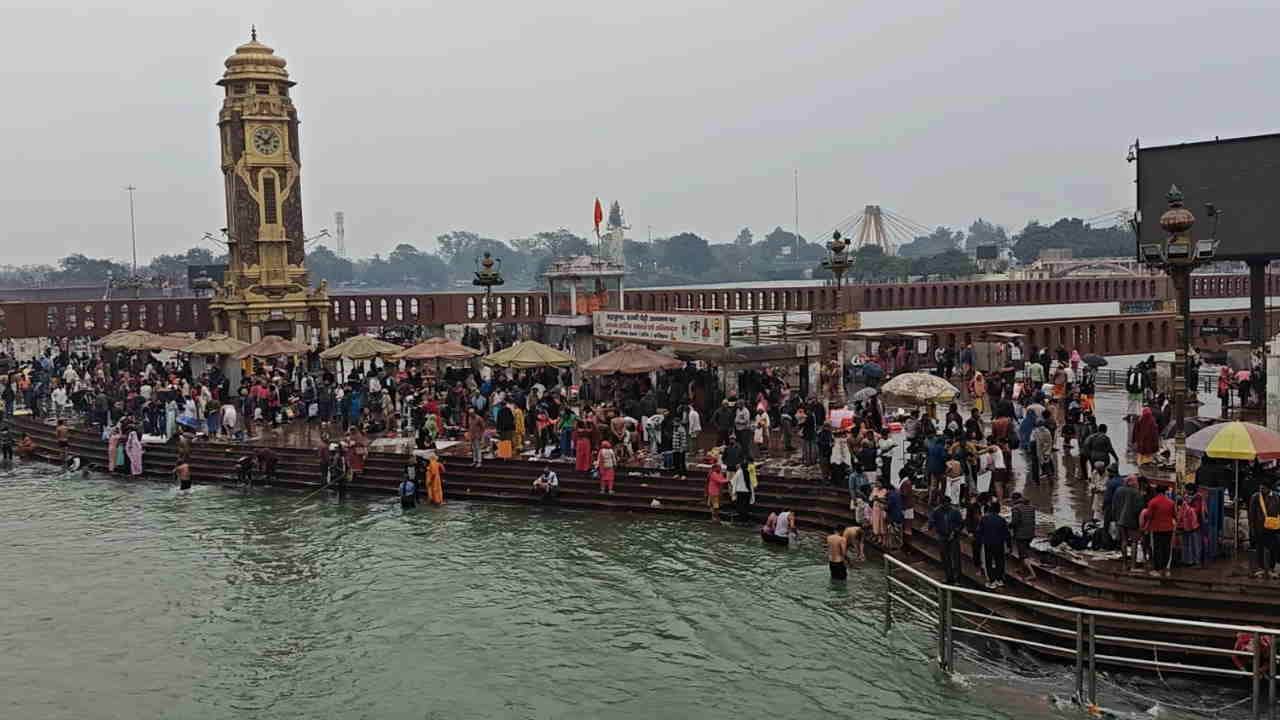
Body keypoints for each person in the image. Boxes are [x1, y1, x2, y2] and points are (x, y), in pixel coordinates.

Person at [1248, 481, 1280, 580]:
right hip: (1260, 528)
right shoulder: (1256, 497)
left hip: (1273, 528)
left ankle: (1270, 568)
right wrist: (1252, 528)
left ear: (1269, 488)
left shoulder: (1276, 496)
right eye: (1260, 487)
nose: (1261, 489)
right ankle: (1261, 568)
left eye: (1263, 488)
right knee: (1260, 547)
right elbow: (1251, 514)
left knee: (1274, 548)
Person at [929, 495, 964, 584]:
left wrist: (954, 532)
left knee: (956, 558)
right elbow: (932, 522)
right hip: (942, 537)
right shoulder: (936, 511)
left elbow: (960, 524)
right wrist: (932, 527)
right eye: (944, 504)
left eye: (948, 504)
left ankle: (957, 579)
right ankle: (949, 577)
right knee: (945, 558)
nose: (946, 506)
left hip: (954, 537)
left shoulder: (955, 512)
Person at [1113, 475, 1145, 572]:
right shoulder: (1137, 493)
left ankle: (1124, 564)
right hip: (1132, 521)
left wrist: (1117, 518)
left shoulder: (1118, 490)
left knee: (1124, 541)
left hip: (1120, 520)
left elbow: (1114, 505)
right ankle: (1133, 566)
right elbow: (1139, 509)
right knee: (1134, 542)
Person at [977, 501, 1011, 589]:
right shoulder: (1002, 520)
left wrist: (979, 542)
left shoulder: (984, 519)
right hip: (999, 544)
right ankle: (999, 579)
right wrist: (1009, 545)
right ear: (998, 510)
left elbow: (979, 532)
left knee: (988, 562)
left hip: (988, 543)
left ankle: (991, 581)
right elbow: (1007, 534)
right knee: (1000, 561)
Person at [1145, 487, 1176, 578]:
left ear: (1156, 491)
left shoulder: (1153, 502)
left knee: (1157, 549)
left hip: (1156, 529)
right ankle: (1165, 570)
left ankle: (1157, 569)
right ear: (1165, 492)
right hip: (1169, 528)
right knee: (1166, 549)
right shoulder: (1171, 502)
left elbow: (1148, 516)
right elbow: (1175, 515)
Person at [1009, 492, 1038, 581]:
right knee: (1023, 551)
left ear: (1014, 500)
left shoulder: (1015, 509)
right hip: (1031, 534)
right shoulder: (1031, 507)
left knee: (1023, 554)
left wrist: (1008, 526)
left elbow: (1015, 522)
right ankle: (1021, 568)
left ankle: (1033, 574)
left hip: (1021, 535)